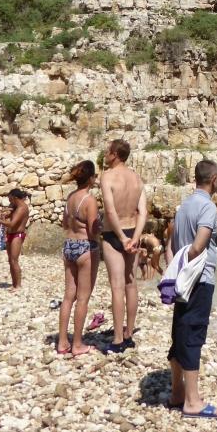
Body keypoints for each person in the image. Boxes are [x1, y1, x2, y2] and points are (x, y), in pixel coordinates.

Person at [168, 158, 217, 419]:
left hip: (181, 281)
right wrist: (189, 267)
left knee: (180, 331)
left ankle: (177, 392)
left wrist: (175, 271)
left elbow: (170, 246)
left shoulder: (183, 207)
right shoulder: (208, 207)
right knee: (193, 334)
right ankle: (192, 401)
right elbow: (199, 245)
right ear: (214, 180)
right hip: (199, 279)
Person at [99, 139, 147, 353]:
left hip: (114, 234)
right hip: (132, 232)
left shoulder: (107, 176)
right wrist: (134, 237)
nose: (105, 154)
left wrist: (121, 237)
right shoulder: (136, 178)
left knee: (117, 286)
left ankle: (118, 338)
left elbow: (110, 211)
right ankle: (129, 334)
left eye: (107, 151)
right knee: (131, 283)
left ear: (115, 155)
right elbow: (143, 212)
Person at [58, 160, 99, 357]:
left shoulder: (70, 198)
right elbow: (92, 229)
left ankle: (62, 342)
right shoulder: (89, 201)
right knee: (82, 298)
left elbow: (65, 224)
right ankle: (77, 344)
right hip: (85, 247)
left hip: (69, 245)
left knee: (68, 297)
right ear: (90, 178)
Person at [2, 190, 29, 290]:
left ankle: (18, 285)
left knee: (14, 260)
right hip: (11, 234)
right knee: (10, 260)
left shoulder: (22, 208)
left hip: (17, 235)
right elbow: (10, 216)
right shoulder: (16, 207)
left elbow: (12, 224)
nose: (9, 200)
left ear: (14, 197)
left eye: (10, 198)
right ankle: (14, 284)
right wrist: (5, 214)